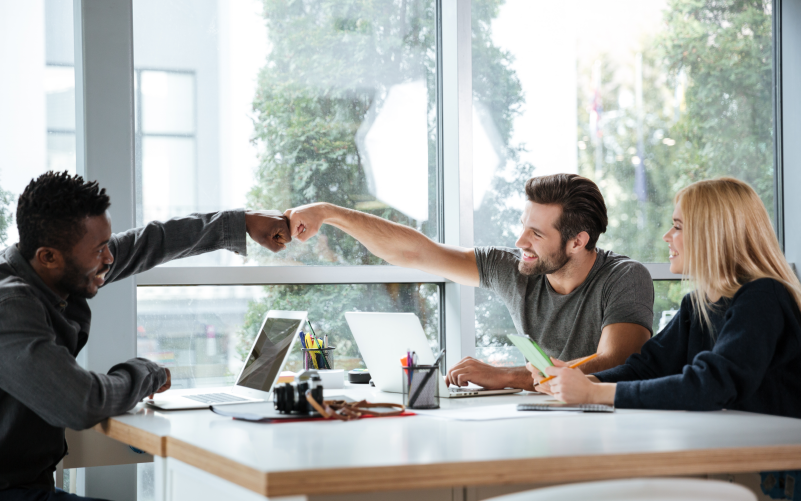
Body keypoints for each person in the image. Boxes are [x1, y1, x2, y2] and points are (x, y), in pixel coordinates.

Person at [0, 171, 292, 500]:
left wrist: (241, 223)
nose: (109, 259)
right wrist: (144, 373)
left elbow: (149, 242)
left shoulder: (54, 272)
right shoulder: (9, 305)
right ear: (48, 256)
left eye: (107, 245)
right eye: (98, 251)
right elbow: (82, 402)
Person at [284, 173, 654, 391]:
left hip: (609, 427)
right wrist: (329, 213)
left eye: (536, 235)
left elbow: (616, 362)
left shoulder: (624, 277)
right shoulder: (514, 268)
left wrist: (505, 375)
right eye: (523, 227)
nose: (520, 242)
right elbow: (416, 252)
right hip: (547, 418)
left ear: (578, 241)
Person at [536, 177, 801, 419]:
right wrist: (584, 381)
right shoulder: (697, 305)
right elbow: (647, 368)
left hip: (774, 462)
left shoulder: (762, 297)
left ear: (712, 234)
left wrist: (594, 394)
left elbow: (711, 385)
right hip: (733, 446)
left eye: (677, 227)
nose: (666, 236)